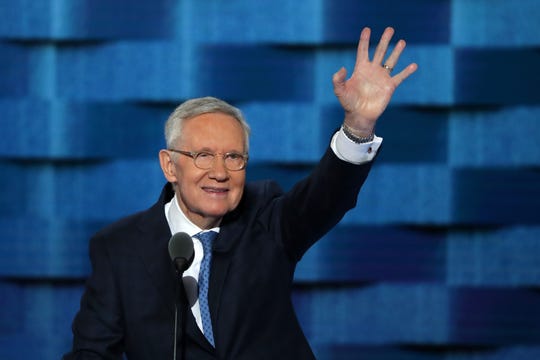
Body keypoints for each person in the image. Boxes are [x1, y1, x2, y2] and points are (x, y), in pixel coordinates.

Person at [64, 26, 417, 359]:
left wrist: (358, 126)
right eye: (203, 155)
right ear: (170, 166)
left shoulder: (265, 215)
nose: (219, 172)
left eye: (233, 157)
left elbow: (325, 197)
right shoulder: (118, 247)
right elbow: (92, 352)